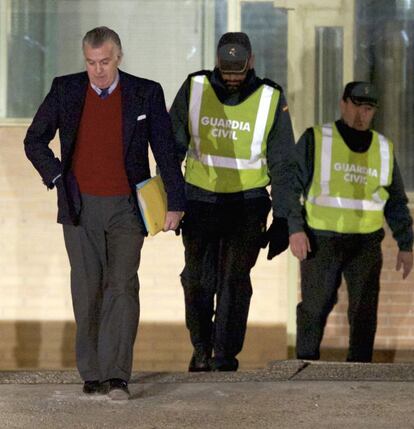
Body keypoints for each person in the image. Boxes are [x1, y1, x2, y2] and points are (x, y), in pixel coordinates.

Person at [24, 27, 185, 399]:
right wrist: (57, 175)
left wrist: (175, 202)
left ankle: (117, 376)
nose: (98, 70)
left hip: (128, 207)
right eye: (91, 62)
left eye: (105, 62)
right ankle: (92, 373)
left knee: (123, 287)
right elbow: (34, 140)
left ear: (119, 57)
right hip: (80, 206)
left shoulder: (146, 92)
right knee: (87, 288)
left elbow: (164, 150)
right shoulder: (65, 89)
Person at [169, 32, 295, 371]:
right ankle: (200, 348)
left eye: (239, 71)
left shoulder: (270, 97)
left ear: (251, 61)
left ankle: (224, 356)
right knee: (197, 280)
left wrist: (283, 217)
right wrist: (171, 198)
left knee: (233, 282)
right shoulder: (195, 88)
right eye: (227, 71)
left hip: (248, 205)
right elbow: (171, 147)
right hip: (199, 201)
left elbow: (284, 163)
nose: (233, 78)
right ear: (217, 63)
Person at [289, 81, 413, 362]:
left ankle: (360, 371)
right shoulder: (317, 139)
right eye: (356, 106)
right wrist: (294, 228)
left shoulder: (383, 148)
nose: (361, 114)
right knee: (315, 307)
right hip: (321, 238)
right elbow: (290, 186)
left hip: (366, 242)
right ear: (343, 103)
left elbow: (395, 201)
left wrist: (406, 244)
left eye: (368, 108)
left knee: (364, 311)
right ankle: (304, 365)